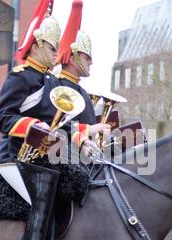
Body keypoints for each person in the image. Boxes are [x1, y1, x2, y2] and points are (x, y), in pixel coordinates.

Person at [0, 0, 89, 240]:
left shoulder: (49, 82)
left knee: (72, 183)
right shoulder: (20, 77)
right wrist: (32, 127)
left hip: (41, 159)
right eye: (51, 48)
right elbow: (3, 118)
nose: (55, 54)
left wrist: (83, 135)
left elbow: (58, 122)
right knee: (44, 190)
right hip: (13, 159)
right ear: (36, 45)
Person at [56, 0, 110, 148]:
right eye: (87, 58)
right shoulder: (60, 87)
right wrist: (90, 130)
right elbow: (58, 127)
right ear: (73, 59)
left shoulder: (78, 89)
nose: (90, 63)